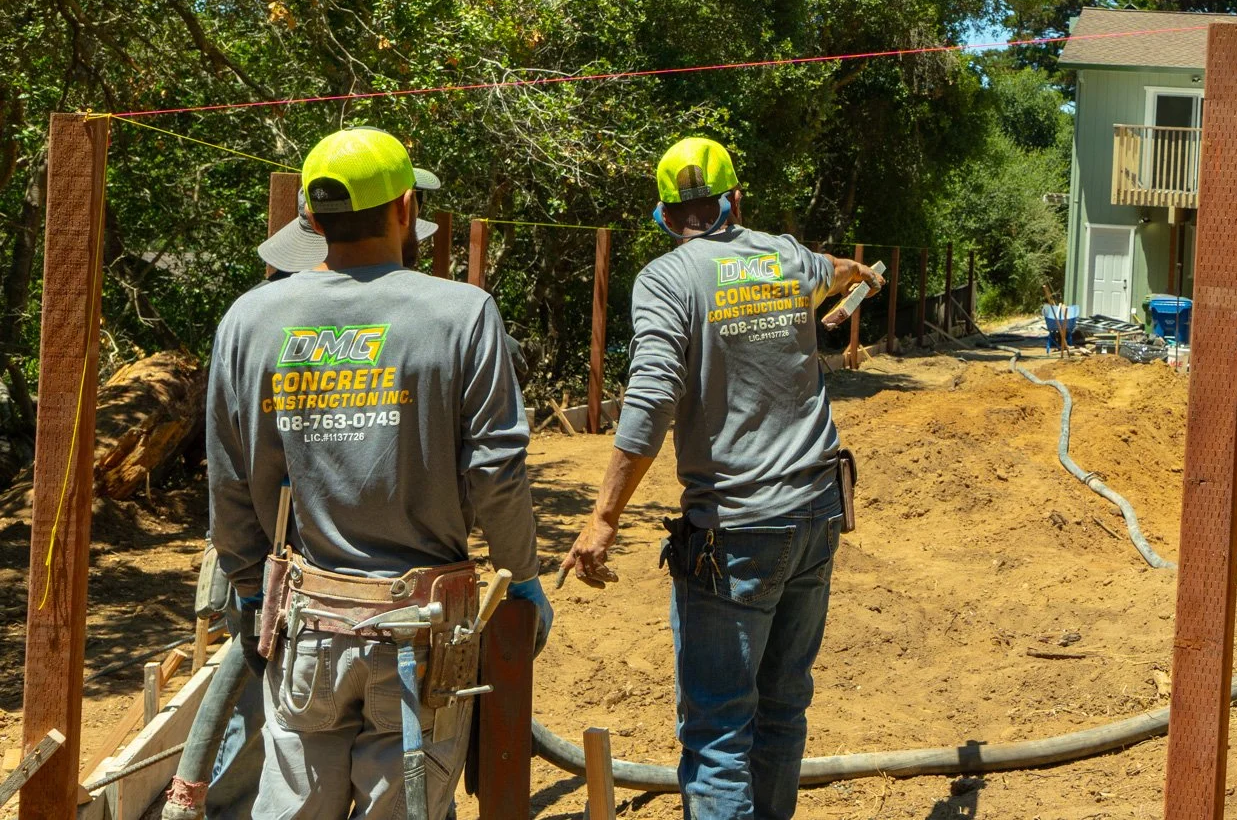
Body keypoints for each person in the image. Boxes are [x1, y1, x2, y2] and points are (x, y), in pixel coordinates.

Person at [206, 127, 552, 820]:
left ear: (311, 218)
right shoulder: (460, 314)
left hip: (305, 625)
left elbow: (230, 481)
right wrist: (522, 575)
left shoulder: (250, 320)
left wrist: (251, 592)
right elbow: (496, 473)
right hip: (422, 631)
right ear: (403, 209)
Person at [562, 136, 881, 820]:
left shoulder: (668, 279)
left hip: (735, 533)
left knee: (718, 729)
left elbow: (650, 397)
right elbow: (836, 266)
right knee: (782, 703)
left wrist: (605, 516)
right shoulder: (787, 257)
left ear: (667, 215)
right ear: (736, 200)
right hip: (817, 512)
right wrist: (859, 274)